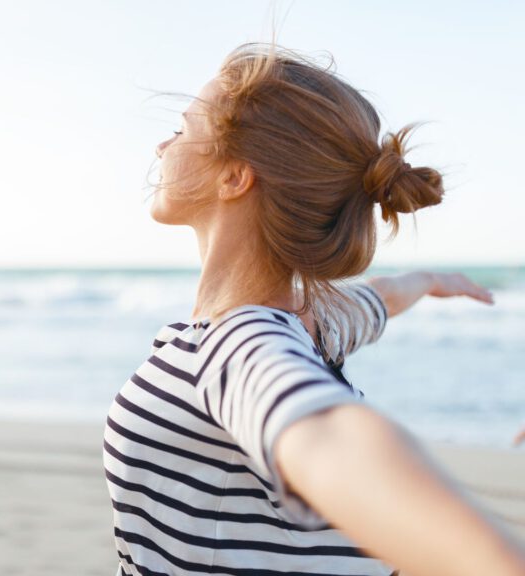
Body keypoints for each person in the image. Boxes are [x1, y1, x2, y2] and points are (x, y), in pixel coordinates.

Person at [104, 43, 525, 576]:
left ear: (235, 176)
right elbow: (379, 299)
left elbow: (328, 439)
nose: (163, 145)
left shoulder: (240, 342)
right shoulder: (309, 324)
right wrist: (431, 280)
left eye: (183, 130)